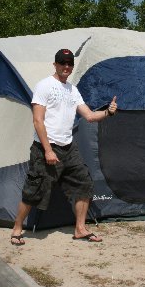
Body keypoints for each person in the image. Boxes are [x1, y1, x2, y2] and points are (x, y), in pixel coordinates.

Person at [10, 48, 118, 246]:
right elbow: (38, 121)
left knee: (84, 183)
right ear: (55, 65)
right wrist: (48, 150)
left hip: (68, 147)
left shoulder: (72, 90)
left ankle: (80, 229)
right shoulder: (44, 86)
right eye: (62, 63)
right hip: (45, 147)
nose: (66, 67)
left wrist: (108, 113)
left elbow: (89, 116)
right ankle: (17, 229)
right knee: (35, 190)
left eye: (69, 64)